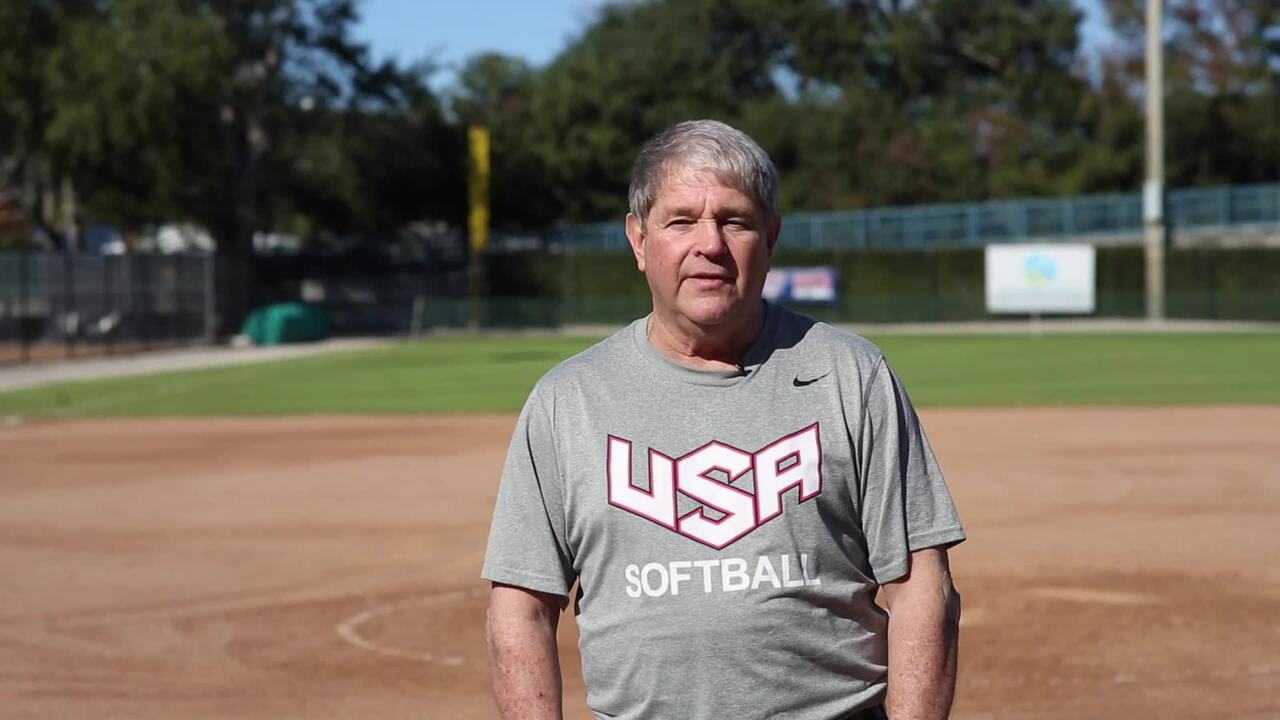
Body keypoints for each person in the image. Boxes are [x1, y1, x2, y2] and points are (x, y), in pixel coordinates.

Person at [482, 119, 964, 720]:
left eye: (734, 220)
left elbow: (923, 587)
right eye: (681, 221)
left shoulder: (852, 375)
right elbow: (521, 608)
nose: (709, 244)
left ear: (772, 237)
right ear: (638, 240)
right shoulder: (567, 400)